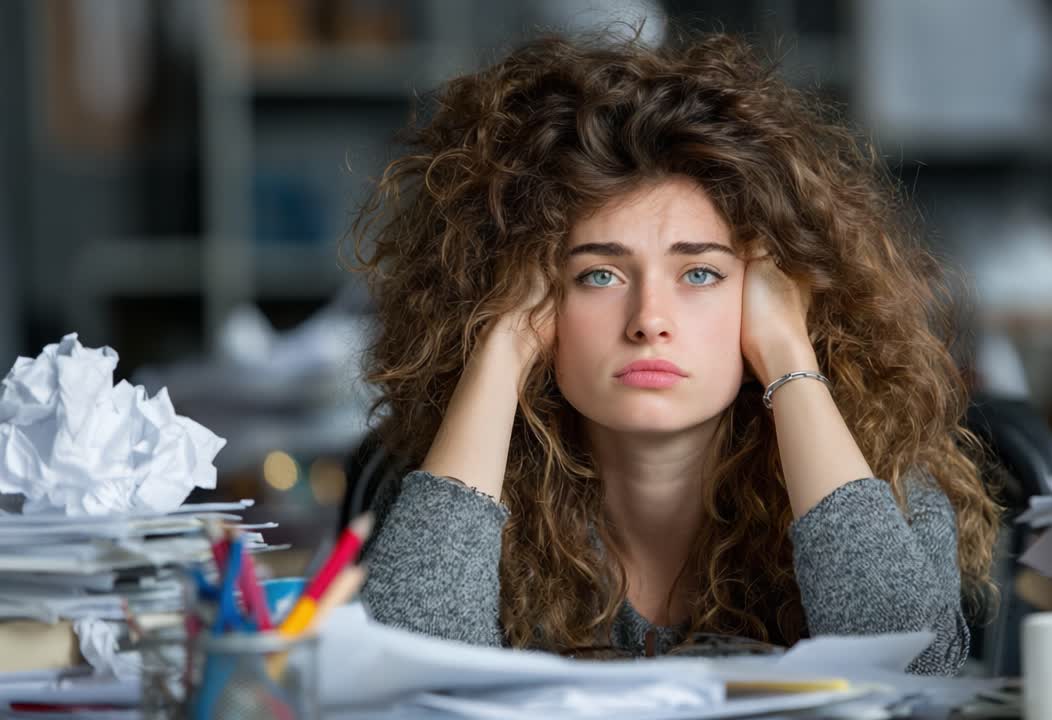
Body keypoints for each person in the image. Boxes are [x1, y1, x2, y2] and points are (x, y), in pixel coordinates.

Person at [352, 30, 1000, 676]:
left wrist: (785, 352)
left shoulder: (878, 479)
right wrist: (498, 346)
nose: (649, 322)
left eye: (700, 275)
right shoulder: (446, 490)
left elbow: (913, 675)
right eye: (598, 276)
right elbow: (401, 682)